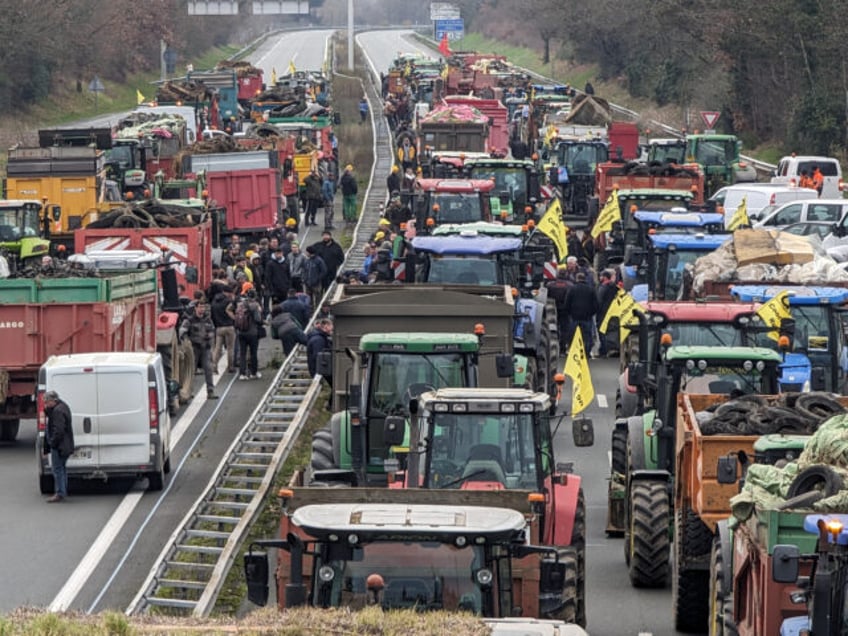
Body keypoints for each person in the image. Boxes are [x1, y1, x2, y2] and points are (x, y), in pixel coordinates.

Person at [180, 299, 218, 398]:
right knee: (190, 371)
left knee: (208, 369)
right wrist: (187, 343)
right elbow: (182, 332)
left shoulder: (208, 320)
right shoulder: (189, 320)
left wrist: (209, 336)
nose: (202, 309)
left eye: (203, 307)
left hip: (205, 348)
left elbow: (213, 330)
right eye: (200, 307)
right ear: (195, 308)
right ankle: (189, 391)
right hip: (194, 349)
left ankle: (210, 391)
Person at [43, 390, 74, 503]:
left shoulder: (57, 411)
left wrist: (52, 443)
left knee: (57, 469)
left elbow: (58, 431)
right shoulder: (63, 407)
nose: (46, 405)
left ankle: (60, 492)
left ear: (53, 400)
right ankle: (62, 490)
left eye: (47, 402)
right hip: (64, 445)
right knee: (62, 468)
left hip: (59, 446)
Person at [563, 272, 599, 357]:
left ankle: (573, 352)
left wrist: (569, 313)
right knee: (587, 336)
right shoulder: (591, 289)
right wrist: (591, 313)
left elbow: (567, 303)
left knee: (573, 335)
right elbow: (596, 304)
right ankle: (586, 352)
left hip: (574, 317)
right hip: (587, 317)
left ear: (577, 279)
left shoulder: (572, 289)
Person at [234, 285, 264, 380]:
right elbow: (258, 319)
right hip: (252, 332)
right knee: (253, 353)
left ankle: (242, 373)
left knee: (242, 353)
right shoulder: (255, 306)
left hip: (241, 332)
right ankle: (253, 372)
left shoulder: (241, 304)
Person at [211, 284, 237, 373]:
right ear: (227, 292)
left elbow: (212, 315)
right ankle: (231, 367)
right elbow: (233, 311)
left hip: (219, 327)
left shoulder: (214, 302)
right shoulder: (228, 301)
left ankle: (214, 366)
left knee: (217, 348)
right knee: (230, 348)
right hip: (229, 326)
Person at [596, 269, 620, 358]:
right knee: (611, 330)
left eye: (601, 276)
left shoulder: (603, 287)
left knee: (602, 330)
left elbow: (599, 300)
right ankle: (612, 348)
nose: (599, 278)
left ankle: (603, 350)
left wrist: (596, 309)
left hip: (603, 312)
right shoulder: (616, 287)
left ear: (605, 277)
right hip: (613, 312)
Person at [303, 245, 328, 310]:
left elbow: (324, 271)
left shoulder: (319, 260)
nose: (306, 253)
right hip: (308, 284)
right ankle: (310, 312)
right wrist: (305, 280)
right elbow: (305, 271)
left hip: (316, 284)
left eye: (306, 252)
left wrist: (317, 279)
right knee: (308, 300)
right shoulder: (307, 260)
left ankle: (318, 311)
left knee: (318, 299)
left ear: (310, 252)